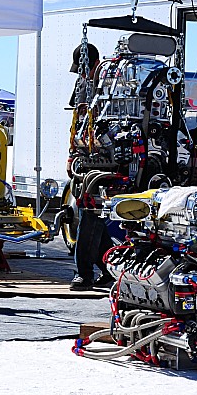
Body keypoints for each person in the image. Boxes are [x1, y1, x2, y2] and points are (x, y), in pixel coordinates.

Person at [68, 42, 113, 291]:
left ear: (95, 63)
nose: (82, 75)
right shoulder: (83, 86)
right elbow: (76, 121)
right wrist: (71, 154)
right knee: (93, 218)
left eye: (84, 70)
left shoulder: (110, 86)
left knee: (89, 216)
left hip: (104, 160)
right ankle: (108, 268)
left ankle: (84, 273)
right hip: (87, 160)